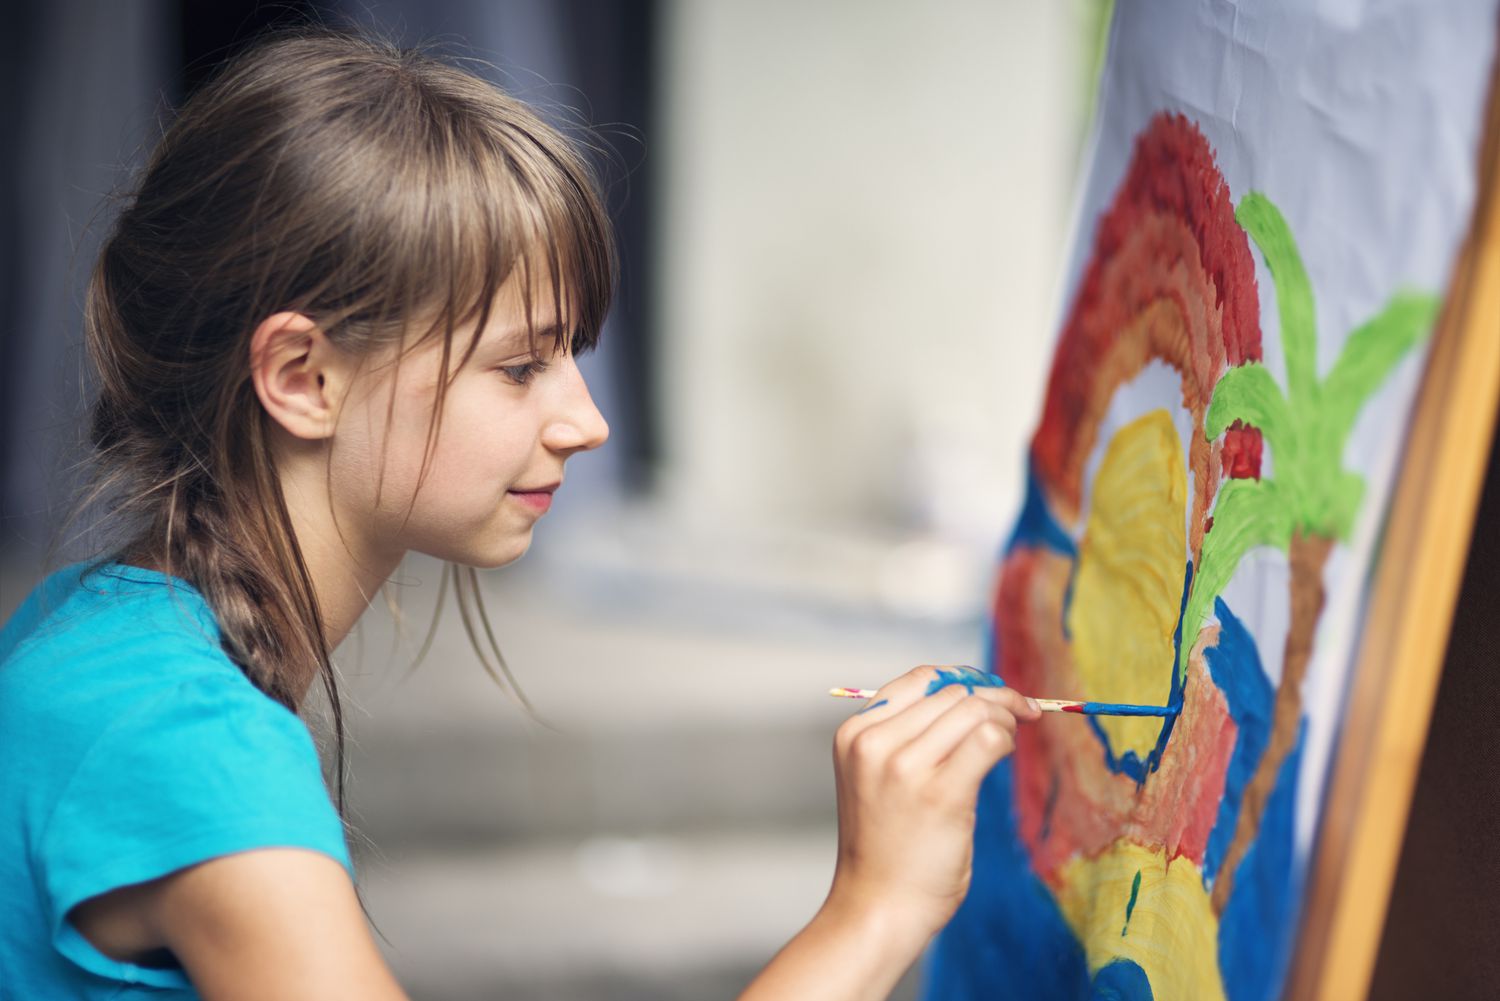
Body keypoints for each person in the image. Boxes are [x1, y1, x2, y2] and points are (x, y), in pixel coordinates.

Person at [0, 28, 1040, 1000]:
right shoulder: (191, 748)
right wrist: (877, 905)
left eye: (574, 358)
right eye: (519, 366)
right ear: (303, 377)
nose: (585, 423)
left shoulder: (93, 627)